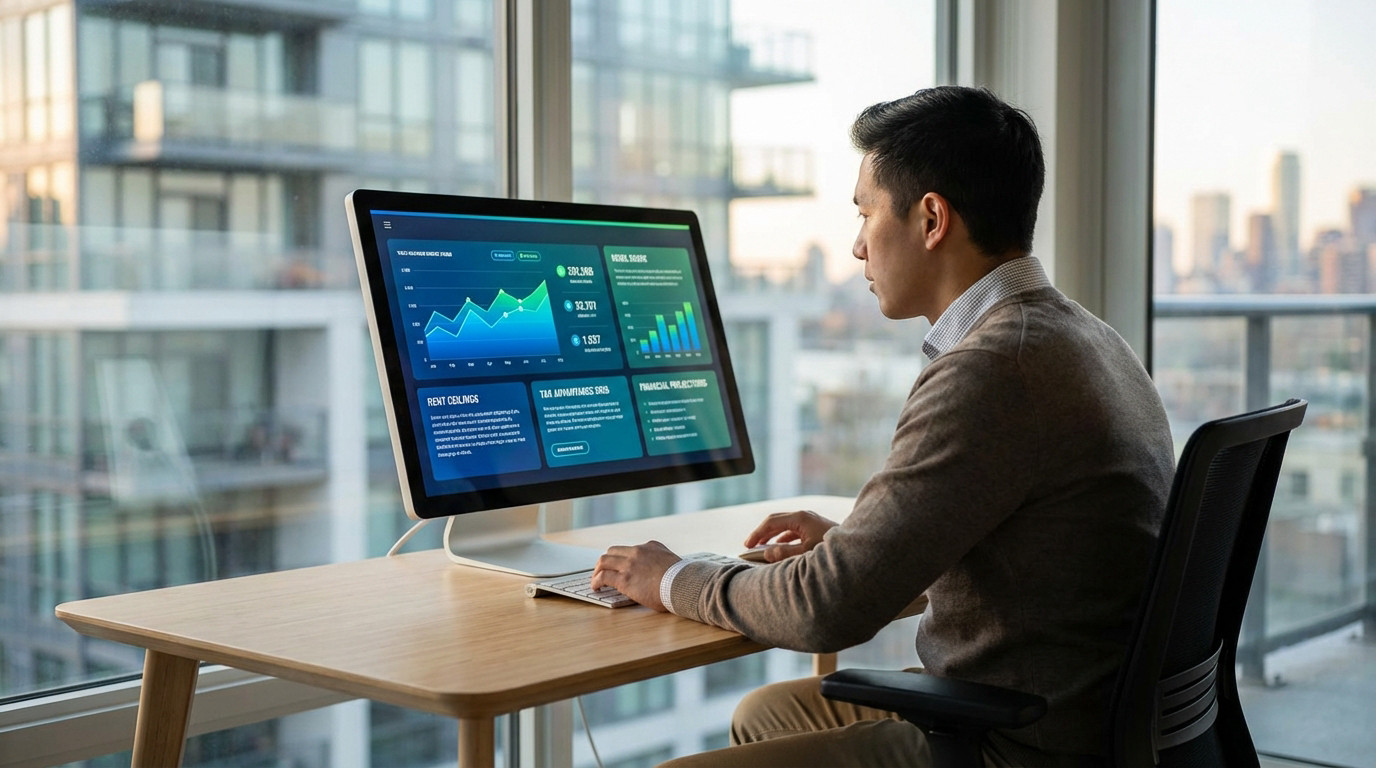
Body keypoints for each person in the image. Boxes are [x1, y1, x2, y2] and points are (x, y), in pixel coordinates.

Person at [590, 85, 1175, 767]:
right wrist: (862, 545)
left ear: (931, 219)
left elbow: (825, 611)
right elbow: (1044, 551)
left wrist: (670, 577)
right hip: (1078, 710)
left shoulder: (994, 369)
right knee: (765, 712)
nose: (857, 246)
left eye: (865, 212)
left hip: (1019, 741)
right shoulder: (1083, 336)